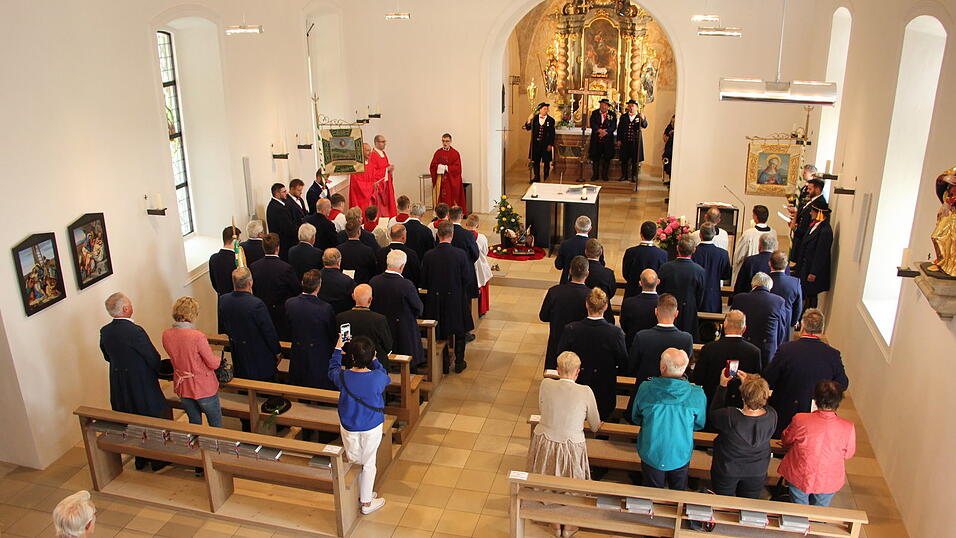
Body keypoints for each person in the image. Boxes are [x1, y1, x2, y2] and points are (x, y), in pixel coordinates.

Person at [529, 351, 601, 536]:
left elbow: (542, 407)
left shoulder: (546, 384)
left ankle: (553, 521)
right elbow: (594, 425)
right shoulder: (585, 391)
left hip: (546, 440)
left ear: (558, 369)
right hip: (571, 446)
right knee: (571, 486)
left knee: (547, 481)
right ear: (578, 372)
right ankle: (568, 525)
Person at [99, 292, 170, 471]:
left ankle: (140, 458)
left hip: (119, 382)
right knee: (150, 418)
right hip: (141, 381)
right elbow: (152, 356)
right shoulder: (135, 331)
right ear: (125, 308)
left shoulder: (105, 331)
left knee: (131, 419)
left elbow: (107, 356)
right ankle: (157, 460)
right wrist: (153, 371)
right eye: (130, 304)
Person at [329, 335, 390, 515]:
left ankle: (360, 492)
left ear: (352, 357)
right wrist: (376, 360)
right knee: (369, 461)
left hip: (348, 424)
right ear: (372, 356)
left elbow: (332, 368)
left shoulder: (342, 376)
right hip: (371, 424)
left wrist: (337, 349)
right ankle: (366, 502)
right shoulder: (377, 377)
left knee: (354, 459)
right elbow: (385, 375)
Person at [764, 309, 849, 437]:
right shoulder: (832, 354)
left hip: (784, 409)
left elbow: (768, 378)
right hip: (815, 413)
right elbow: (843, 383)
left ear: (803, 326)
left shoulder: (786, 350)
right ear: (822, 328)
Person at [631, 348, 706, 490]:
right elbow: (699, 423)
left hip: (652, 449)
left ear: (663, 367)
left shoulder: (646, 388)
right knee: (678, 490)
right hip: (680, 450)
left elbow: (636, 416)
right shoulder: (697, 394)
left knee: (651, 491)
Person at [779, 380, 856, 506]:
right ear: (838, 401)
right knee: (820, 510)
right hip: (829, 477)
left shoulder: (800, 419)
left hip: (800, 472)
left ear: (815, 399)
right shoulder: (848, 427)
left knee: (798, 510)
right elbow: (848, 454)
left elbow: (786, 439)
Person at [557, 288, 627, 420]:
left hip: (578, 381)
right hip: (604, 383)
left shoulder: (572, 329)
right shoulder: (615, 333)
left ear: (586, 304)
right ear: (606, 306)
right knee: (603, 415)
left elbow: (561, 355)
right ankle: (602, 436)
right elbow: (623, 361)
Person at [709, 371, 777, 498]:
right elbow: (761, 401)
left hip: (728, 468)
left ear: (742, 396)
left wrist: (723, 386)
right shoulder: (772, 415)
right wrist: (752, 386)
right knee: (747, 505)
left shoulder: (729, 416)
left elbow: (713, 414)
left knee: (722, 503)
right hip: (757, 470)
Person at [422, 221, 476, 373]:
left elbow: (424, 280)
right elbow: (467, 278)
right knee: (459, 331)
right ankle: (459, 362)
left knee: (441, 332)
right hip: (456, 298)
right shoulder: (460, 255)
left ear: (438, 235)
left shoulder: (429, 255)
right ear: (451, 235)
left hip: (436, 299)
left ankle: (444, 364)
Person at [162, 297, 222, 429]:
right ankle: (216, 448)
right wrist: (218, 359)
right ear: (192, 314)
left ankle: (197, 445)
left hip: (183, 386)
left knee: (194, 423)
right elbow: (212, 363)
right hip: (203, 386)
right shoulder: (197, 336)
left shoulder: (166, 334)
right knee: (215, 424)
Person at [692, 310, 762, 416]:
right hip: (741, 410)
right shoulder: (754, 352)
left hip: (712, 405)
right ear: (744, 329)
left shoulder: (709, 349)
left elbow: (698, 379)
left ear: (724, 325)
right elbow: (756, 383)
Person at [219, 267, 281, 382]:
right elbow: (268, 330)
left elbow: (225, 324)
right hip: (258, 353)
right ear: (250, 283)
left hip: (238, 351)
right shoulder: (256, 304)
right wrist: (277, 351)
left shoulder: (223, 300)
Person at [370, 249, 426, 370]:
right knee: (408, 366)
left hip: (382, 331)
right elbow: (418, 308)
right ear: (402, 266)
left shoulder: (374, 281)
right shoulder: (406, 285)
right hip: (403, 331)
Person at [285, 269, 338, 390]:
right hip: (319, 354)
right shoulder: (325, 308)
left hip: (298, 352)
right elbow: (332, 333)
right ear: (319, 287)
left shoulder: (290, 303)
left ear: (302, 283)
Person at [627, 293, 694, 388]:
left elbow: (632, 366)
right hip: (673, 389)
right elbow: (686, 368)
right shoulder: (686, 339)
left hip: (646, 387)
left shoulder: (642, 336)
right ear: (676, 314)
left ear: (656, 311)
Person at [540, 256, 590, 370]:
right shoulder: (590, 296)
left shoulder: (554, 291)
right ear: (587, 273)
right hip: (580, 344)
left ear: (570, 271)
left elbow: (543, 316)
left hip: (557, 342)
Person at [731, 272, 787, 370]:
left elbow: (731, 323)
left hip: (742, 346)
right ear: (769, 287)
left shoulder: (739, 299)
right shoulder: (779, 301)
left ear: (753, 285)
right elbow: (781, 330)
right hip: (767, 348)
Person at [249, 234, 300, 340]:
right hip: (281, 314)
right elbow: (296, 289)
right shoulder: (286, 268)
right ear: (278, 248)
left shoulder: (254, 267)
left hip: (261, 310)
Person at [657, 237, 705, 341]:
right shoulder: (699, 271)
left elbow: (659, 290)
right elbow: (700, 294)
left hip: (667, 309)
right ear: (694, 250)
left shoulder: (665, 268)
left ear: (677, 248)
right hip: (689, 310)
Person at [337, 284, 393, 369]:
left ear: (353, 296)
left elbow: (341, 344)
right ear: (370, 299)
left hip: (352, 363)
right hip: (375, 364)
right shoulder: (379, 319)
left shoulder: (341, 318)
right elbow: (388, 346)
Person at [796, 198, 833, 310]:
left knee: (811, 294)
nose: (811, 213)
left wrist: (813, 272)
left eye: (813, 211)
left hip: (812, 269)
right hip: (805, 265)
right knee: (804, 291)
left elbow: (821, 253)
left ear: (820, 213)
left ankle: (808, 315)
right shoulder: (814, 225)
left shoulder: (825, 231)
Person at [692, 223, 731, 314]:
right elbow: (726, 275)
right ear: (713, 235)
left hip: (695, 294)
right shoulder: (723, 254)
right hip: (713, 296)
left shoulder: (693, 252)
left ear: (700, 235)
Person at [621, 221, 667, 297]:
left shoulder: (631, 252)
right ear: (655, 235)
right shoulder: (662, 254)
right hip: (653, 295)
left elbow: (626, 273)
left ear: (640, 234)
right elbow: (661, 276)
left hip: (633, 293)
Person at [620, 268, 660, 350]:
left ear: (640, 283)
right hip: (655, 347)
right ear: (658, 282)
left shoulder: (628, 303)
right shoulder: (663, 304)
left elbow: (624, 325)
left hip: (633, 345)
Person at [789, 176, 824, 266]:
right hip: (801, 234)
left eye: (810, 189)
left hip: (804, 236)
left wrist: (796, 229)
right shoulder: (812, 201)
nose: (807, 191)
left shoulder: (819, 203)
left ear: (817, 189)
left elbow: (810, 223)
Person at [733, 205, 773, 282]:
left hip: (750, 269)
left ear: (755, 216)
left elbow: (739, 255)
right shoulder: (773, 233)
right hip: (767, 270)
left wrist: (735, 265)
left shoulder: (748, 234)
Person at [769, 251, 803, 338]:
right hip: (786, 320)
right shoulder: (795, 282)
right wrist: (793, 322)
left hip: (766, 319)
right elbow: (798, 305)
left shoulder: (764, 280)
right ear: (786, 264)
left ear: (770, 263)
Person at [464, 213, 493, 316]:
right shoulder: (481, 237)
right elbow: (485, 251)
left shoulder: (462, 236)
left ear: (466, 224)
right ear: (478, 225)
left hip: (467, 266)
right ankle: (481, 309)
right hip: (480, 265)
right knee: (482, 285)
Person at [555, 216, 599, 283]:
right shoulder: (595, 246)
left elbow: (558, 265)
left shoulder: (565, 244)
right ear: (590, 229)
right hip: (588, 283)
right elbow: (600, 264)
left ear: (575, 227)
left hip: (567, 282)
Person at [429, 133, 466, 208]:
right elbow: (432, 166)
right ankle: (440, 214)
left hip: (450, 181)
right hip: (440, 180)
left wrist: (446, 168)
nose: (445, 143)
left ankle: (451, 214)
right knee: (441, 198)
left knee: (449, 197)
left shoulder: (455, 153)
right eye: (443, 141)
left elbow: (457, 168)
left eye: (447, 141)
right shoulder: (438, 152)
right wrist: (439, 167)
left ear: (450, 141)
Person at [584, 238, 616, 324]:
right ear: (601, 252)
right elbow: (611, 292)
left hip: (583, 310)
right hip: (604, 314)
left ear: (586, 252)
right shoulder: (608, 273)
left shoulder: (581, 270)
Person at [317, 248, 358, 314]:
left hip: (318, 316)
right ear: (339, 261)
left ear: (323, 260)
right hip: (340, 317)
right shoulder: (348, 281)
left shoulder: (315, 278)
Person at [523, 102, 556, 182]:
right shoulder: (534, 119)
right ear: (540, 110)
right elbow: (527, 128)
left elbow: (552, 133)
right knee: (535, 161)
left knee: (546, 162)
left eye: (547, 109)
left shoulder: (551, 120)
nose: (546, 110)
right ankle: (536, 176)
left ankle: (546, 177)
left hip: (546, 144)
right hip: (536, 144)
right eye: (544, 109)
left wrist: (551, 144)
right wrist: (529, 119)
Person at [617, 99, 648, 183]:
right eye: (629, 106)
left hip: (635, 142)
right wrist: (619, 140)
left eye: (632, 106)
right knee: (624, 160)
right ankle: (624, 175)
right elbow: (619, 129)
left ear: (636, 107)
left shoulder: (639, 116)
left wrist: (643, 118)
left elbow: (645, 125)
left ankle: (634, 176)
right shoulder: (624, 116)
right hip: (625, 141)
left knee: (635, 160)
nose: (630, 108)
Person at [338, 220, 378, 284]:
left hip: (343, 283)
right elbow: (373, 270)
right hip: (362, 284)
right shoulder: (367, 251)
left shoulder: (338, 249)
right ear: (359, 232)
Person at [367, 134, 398, 218]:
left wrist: (390, 168)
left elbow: (385, 165)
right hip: (380, 184)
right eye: (382, 142)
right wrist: (386, 170)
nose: (384, 144)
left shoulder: (383, 153)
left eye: (385, 142)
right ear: (376, 143)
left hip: (386, 183)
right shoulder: (373, 155)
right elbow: (373, 172)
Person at [266, 182, 297, 260]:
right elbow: (287, 228)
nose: (286, 193)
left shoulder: (278, 205)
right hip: (284, 244)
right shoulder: (277, 208)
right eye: (283, 192)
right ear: (277, 193)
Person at [589, 98, 616, 181]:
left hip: (607, 140)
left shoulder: (612, 114)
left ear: (608, 107)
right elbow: (592, 123)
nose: (603, 106)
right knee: (595, 158)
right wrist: (599, 130)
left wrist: (606, 132)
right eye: (601, 104)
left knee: (607, 158)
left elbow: (613, 126)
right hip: (596, 139)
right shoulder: (594, 113)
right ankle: (595, 175)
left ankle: (605, 175)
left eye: (605, 105)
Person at [209, 226, 240, 296]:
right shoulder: (236, 260)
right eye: (239, 241)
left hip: (222, 298)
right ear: (234, 241)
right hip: (235, 298)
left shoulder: (213, 258)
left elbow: (213, 282)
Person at [349, 143, 375, 212]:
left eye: (370, 150)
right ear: (361, 151)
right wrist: (371, 185)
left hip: (369, 197)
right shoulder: (356, 166)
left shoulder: (370, 164)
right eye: (367, 151)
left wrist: (375, 184)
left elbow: (373, 179)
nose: (370, 153)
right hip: (359, 199)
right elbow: (356, 184)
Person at [662, 114, 675, 183]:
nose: (672, 124)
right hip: (668, 150)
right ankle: (670, 180)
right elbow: (664, 136)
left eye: (674, 122)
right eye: (672, 122)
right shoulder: (669, 127)